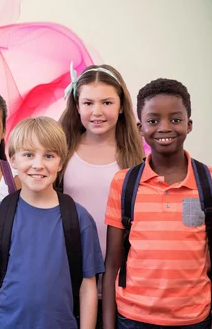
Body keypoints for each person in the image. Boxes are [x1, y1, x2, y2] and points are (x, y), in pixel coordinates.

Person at [103, 78, 212, 329]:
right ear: (140, 127)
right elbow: (113, 264)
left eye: (176, 119)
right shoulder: (123, 183)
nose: (165, 127)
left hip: (193, 320)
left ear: (189, 124)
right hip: (133, 318)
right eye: (153, 120)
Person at [0, 116, 104, 329]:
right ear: (13, 160)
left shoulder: (79, 219)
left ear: (60, 162)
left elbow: (88, 286)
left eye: (49, 156)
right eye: (28, 154)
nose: (38, 165)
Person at [59, 63, 144, 327]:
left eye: (106, 102)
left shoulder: (136, 157)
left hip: (124, 282)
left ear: (121, 106)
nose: (97, 112)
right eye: (88, 103)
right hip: (68, 278)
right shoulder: (62, 151)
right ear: (76, 106)